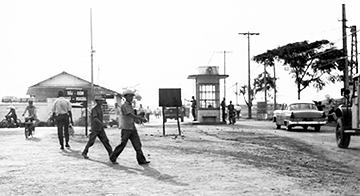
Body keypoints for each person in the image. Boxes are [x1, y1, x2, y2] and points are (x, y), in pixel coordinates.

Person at [109, 90, 150, 165]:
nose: (131, 98)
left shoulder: (130, 105)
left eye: (132, 96)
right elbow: (130, 115)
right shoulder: (124, 106)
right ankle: (113, 157)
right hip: (126, 128)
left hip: (131, 127)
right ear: (125, 97)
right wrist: (139, 118)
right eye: (129, 96)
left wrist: (137, 120)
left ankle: (141, 160)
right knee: (123, 144)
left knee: (137, 144)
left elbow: (132, 116)